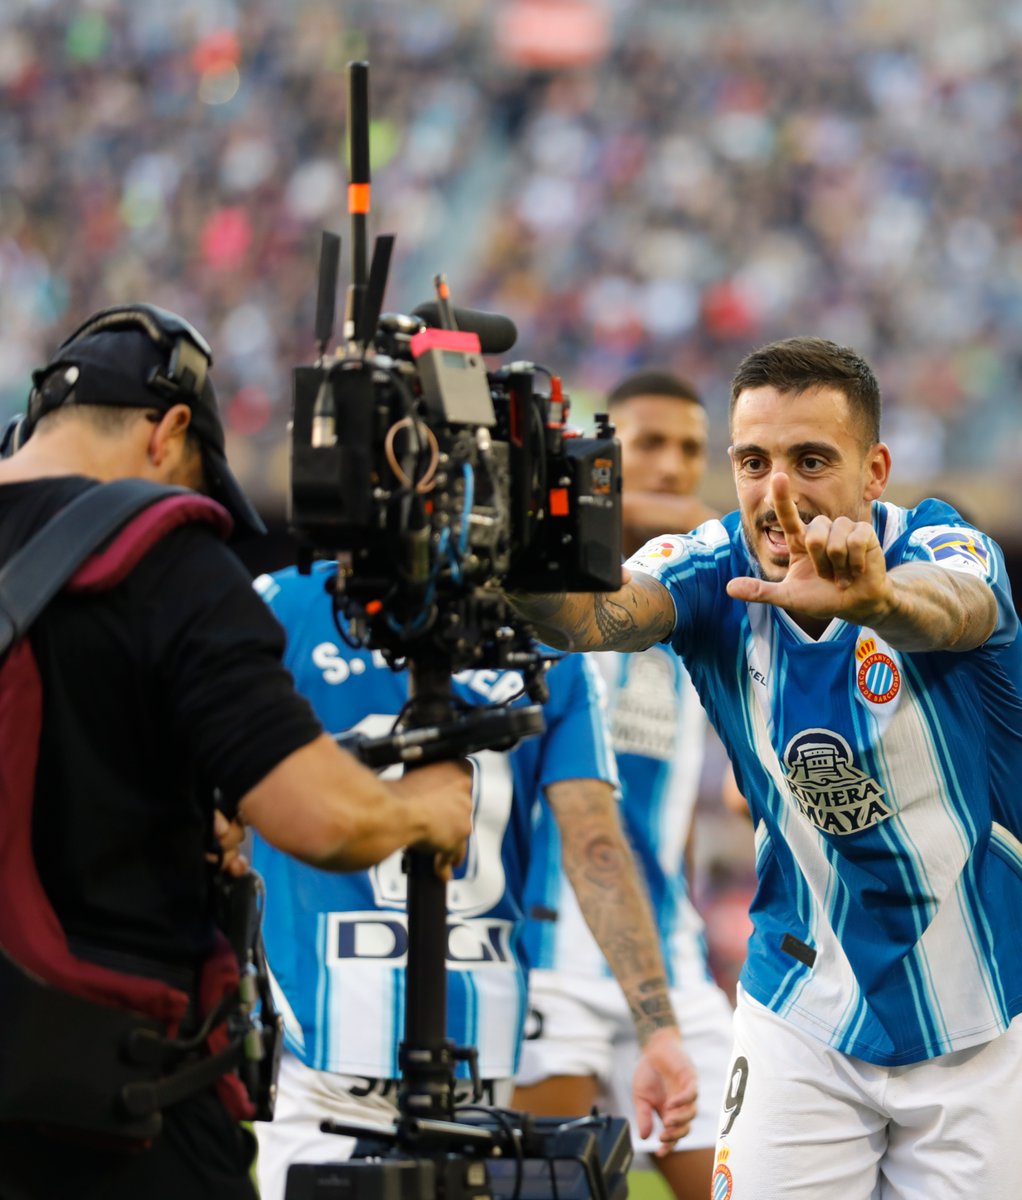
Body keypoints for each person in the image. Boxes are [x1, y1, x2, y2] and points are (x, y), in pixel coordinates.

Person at [505, 336, 1022, 1199]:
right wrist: (514, 549)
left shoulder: (940, 546)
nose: (776, 492)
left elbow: (961, 609)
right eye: (753, 461)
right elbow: (594, 616)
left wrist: (880, 601)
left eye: (811, 460)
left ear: (874, 470)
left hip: (983, 1017)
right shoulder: (714, 571)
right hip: (803, 1009)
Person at [0, 305, 473, 1200]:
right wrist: (423, 806)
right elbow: (323, 818)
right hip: (119, 1098)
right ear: (171, 430)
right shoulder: (163, 554)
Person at [249, 563, 699, 1200]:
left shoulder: (282, 601)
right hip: (479, 1046)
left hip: (320, 1040)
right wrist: (657, 1029)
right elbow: (596, 844)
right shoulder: (550, 628)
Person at [514, 370, 736, 1199]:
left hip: (670, 962)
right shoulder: (547, 600)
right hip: (552, 958)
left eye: (690, 449)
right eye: (649, 445)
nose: (675, 466)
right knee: (540, 1188)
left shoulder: (700, 608)